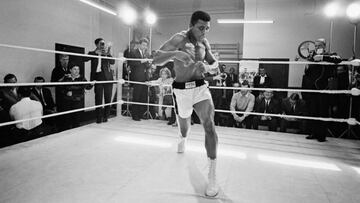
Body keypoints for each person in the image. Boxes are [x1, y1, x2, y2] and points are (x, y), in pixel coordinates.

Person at [152, 10, 219, 197]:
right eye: (200, 28)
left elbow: (216, 66)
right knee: (184, 123)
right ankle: (182, 138)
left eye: (207, 28)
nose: (204, 31)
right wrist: (176, 54)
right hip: (181, 90)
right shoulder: (179, 38)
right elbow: (156, 59)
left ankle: (212, 175)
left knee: (209, 125)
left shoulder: (205, 43)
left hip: (200, 88)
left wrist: (208, 67)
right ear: (191, 25)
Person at [301, 38, 342, 142]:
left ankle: (321, 135)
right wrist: (308, 64)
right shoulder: (312, 56)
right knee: (313, 112)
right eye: (316, 46)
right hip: (312, 89)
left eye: (319, 45)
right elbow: (308, 73)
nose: (317, 47)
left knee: (322, 112)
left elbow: (338, 59)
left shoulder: (331, 54)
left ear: (324, 46)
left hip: (323, 88)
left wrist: (323, 57)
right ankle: (313, 133)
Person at [84, 38, 115, 123]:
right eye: (101, 43)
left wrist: (108, 53)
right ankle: (98, 118)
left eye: (104, 43)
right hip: (97, 78)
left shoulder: (106, 53)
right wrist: (95, 53)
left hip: (108, 79)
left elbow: (113, 62)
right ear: (97, 45)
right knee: (98, 99)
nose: (103, 45)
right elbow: (84, 59)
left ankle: (106, 117)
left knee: (108, 99)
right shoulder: (92, 53)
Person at [128, 38, 151, 121]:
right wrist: (141, 61)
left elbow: (147, 65)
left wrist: (148, 62)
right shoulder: (133, 52)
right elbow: (130, 63)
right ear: (140, 44)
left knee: (143, 97)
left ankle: (141, 114)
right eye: (143, 45)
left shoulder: (146, 53)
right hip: (137, 77)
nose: (145, 47)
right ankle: (135, 115)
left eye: (146, 45)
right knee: (136, 97)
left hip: (145, 77)